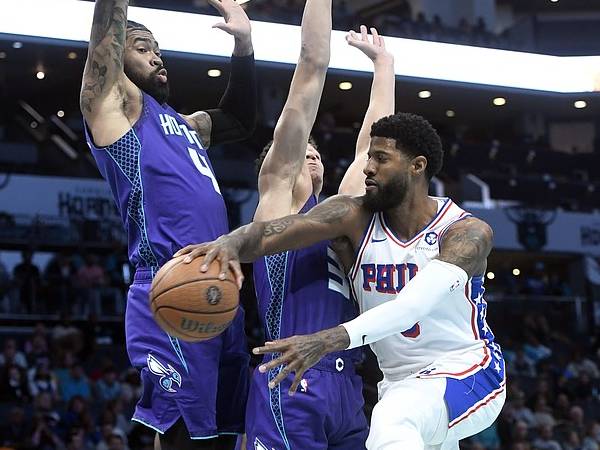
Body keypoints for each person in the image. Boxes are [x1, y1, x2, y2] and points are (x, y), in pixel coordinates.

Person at [177, 112, 506, 449]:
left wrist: (323, 340)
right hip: (398, 381)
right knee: (400, 419)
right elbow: (272, 233)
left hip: (467, 370)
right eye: (368, 158)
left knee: (393, 421)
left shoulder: (466, 232)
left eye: (381, 159)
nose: (368, 168)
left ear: (417, 166)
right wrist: (230, 243)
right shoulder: (353, 215)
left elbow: (411, 308)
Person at [79, 0, 257, 448]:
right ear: (118, 57)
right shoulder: (114, 113)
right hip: (169, 281)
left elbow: (239, 119)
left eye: (158, 49)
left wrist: (244, 43)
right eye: (142, 47)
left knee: (220, 432)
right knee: (183, 430)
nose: (157, 56)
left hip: (220, 287)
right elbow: (103, 39)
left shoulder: (182, 124)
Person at [248, 0, 395, 442]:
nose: (310, 153)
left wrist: (384, 65)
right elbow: (310, 69)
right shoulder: (277, 206)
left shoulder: (340, 212)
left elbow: (375, 144)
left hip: (348, 384)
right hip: (291, 377)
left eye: (316, 152)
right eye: (301, 151)